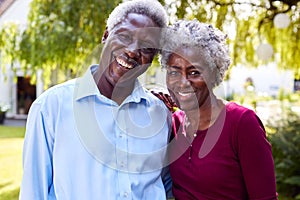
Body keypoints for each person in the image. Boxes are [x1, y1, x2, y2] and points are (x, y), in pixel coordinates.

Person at [19, 0, 172, 199]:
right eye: (124, 36)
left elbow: (165, 186)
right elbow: (33, 191)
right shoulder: (51, 107)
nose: (133, 51)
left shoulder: (161, 114)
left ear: (153, 58)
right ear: (106, 36)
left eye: (147, 47)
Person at [158, 20, 278, 199]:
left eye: (194, 72)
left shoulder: (242, 123)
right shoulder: (174, 123)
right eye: (174, 72)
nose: (183, 82)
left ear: (214, 74)